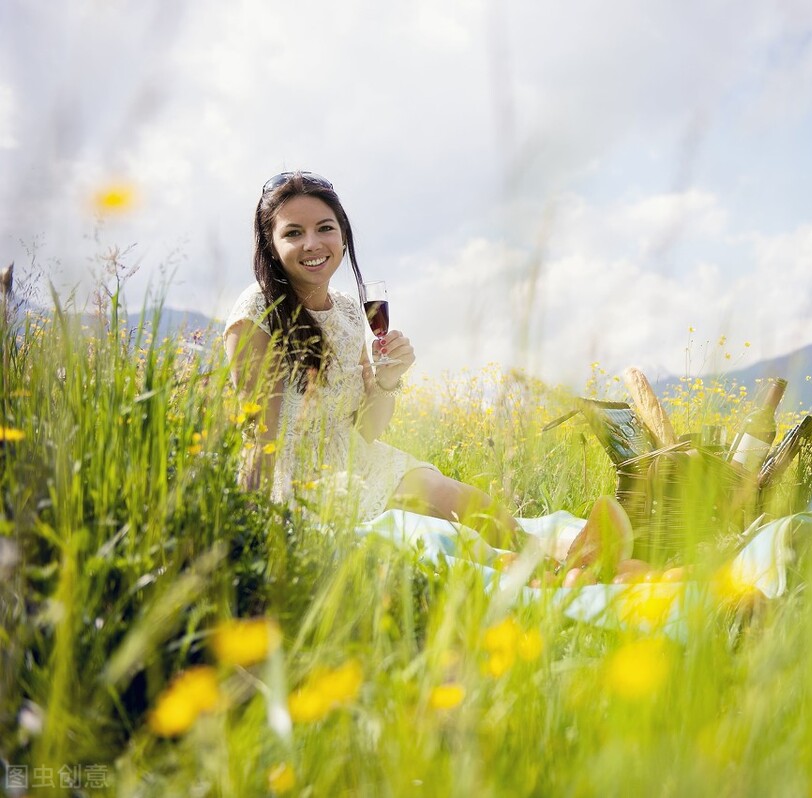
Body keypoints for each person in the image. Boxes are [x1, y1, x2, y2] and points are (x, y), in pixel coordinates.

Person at [224, 171, 630, 569]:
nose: (312, 243)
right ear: (271, 245)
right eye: (293, 233)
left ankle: (562, 562)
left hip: (358, 460)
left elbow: (367, 429)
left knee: (471, 503)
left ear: (343, 237)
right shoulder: (258, 312)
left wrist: (386, 381)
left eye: (324, 228)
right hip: (302, 483)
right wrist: (246, 534)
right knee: (446, 530)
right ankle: (550, 572)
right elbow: (259, 437)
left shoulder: (348, 311)